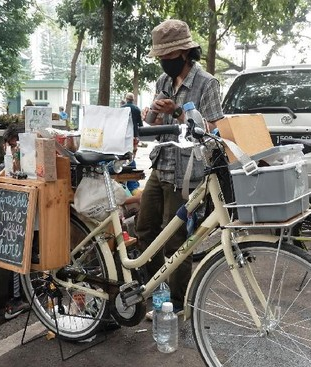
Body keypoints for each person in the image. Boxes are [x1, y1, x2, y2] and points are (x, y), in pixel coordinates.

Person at [136, 19, 224, 318]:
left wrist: (176, 111)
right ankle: (154, 290)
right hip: (160, 166)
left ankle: (177, 304)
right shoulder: (163, 82)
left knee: (177, 242)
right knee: (145, 228)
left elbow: (212, 130)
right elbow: (151, 123)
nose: (163, 63)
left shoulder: (206, 83)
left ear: (185, 53)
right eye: (160, 58)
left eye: (168, 58)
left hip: (186, 174)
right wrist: (154, 112)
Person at [0, 125, 30, 320]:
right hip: (11, 228)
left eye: (19, 146)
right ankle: (15, 301)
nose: (15, 150)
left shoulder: (31, 169)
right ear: (5, 147)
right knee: (14, 240)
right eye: (12, 146)